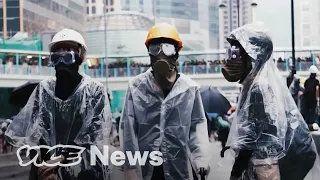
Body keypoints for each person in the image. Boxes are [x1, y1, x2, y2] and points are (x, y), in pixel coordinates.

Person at [5, 28, 112, 180]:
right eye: (57, 54)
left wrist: (60, 160)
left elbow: (93, 134)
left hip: (86, 170)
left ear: (80, 56)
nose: (62, 59)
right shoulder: (44, 90)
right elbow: (34, 133)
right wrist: (44, 166)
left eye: (68, 53)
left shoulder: (95, 91)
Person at [220, 24, 320, 180]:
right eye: (231, 53)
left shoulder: (258, 88)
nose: (231, 60)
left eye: (236, 54)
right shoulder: (253, 85)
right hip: (259, 165)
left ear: (253, 56)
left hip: (262, 168)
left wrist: (235, 172)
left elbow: (252, 138)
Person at [119, 23, 210, 180]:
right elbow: (128, 129)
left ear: (176, 53)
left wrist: (201, 158)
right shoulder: (136, 87)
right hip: (148, 166)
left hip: (179, 166)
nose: (161, 53)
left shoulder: (189, 89)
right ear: (149, 53)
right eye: (155, 48)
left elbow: (197, 126)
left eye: (167, 48)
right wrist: (130, 166)